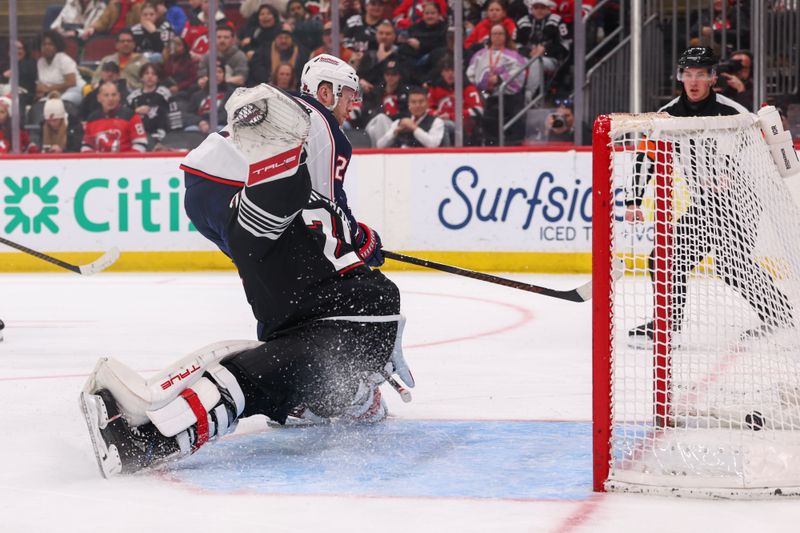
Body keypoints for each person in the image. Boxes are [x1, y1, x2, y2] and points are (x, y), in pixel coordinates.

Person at [79, 66, 412, 479]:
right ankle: (279, 395)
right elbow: (327, 206)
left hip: (208, 191)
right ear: (325, 90)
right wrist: (361, 240)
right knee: (288, 278)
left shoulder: (288, 112)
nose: (352, 105)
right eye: (348, 95)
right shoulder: (322, 123)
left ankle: (291, 386)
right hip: (250, 194)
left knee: (274, 282)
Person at [625, 47, 793, 346]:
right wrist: (634, 199)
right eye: (688, 74)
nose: (693, 81)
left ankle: (779, 317)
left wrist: (734, 174)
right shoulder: (668, 115)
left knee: (731, 264)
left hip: (740, 202)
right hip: (703, 203)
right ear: (680, 77)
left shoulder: (733, 112)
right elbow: (646, 158)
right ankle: (667, 325)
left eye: (700, 74)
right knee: (665, 257)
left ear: (713, 77)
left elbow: (758, 156)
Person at [466, 23, 526, 145]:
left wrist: (499, 79)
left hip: (509, 98)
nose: (497, 36)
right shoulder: (479, 55)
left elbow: (520, 74)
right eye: (494, 34)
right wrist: (484, 81)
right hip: (487, 96)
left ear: (505, 36)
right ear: (490, 36)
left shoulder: (514, 55)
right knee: (489, 129)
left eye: (500, 34)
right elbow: (470, 74)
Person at [515, 0, 570, 100]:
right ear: (531, 9)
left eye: (543, 7)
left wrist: (545, 51)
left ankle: (529, 95)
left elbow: (565, 45)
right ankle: (515, 94)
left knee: (536, 61)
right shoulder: (522, 22)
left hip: (551, 60)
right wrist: (528, 52)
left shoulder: (557, 21)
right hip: (527, 58)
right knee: (516, 62)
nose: (539, 11)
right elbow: (515, 44)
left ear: (549, 9)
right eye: (536, 8)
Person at [82, 80, 148, 152]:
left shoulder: (131, 116)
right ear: (99, 98)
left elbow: (141, 144)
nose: (110, 99)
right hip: (99, 162)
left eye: (114, 95)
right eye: (106, 95)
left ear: (119, 97)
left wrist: (127, 161)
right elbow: (86, 146)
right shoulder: (92, 119)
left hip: (125, 162)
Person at [375, 85, 445, 148]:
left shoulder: (437, 122)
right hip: (399, 158)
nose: (417, 105)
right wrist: (395, 132)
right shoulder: (400, 122)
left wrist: (414, 128)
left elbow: (433, 144)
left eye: (421, 101)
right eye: (413, 102)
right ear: (409, 105)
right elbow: (380, 145)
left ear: (427, 103)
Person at [36, 30, 86, 106]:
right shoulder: (40, 62)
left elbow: (72, 82)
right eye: (44, 44)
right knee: (40, 104)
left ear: (56, 46)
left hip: (74, 91)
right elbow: (42, 85)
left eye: (50, 44)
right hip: (54, 94)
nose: (46, 47)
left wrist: (49, 89)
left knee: (58, 104)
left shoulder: (63, 59)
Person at [126, 62, 171, 138]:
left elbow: (172, 113)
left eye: (153, 74)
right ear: (141, 77)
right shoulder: (133, 97)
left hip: (161, 134)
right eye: (146, 73)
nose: (150, 76)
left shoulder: (164, 94)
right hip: (138, 135)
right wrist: (135, 111)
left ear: (158, 78)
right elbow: (124, 115)